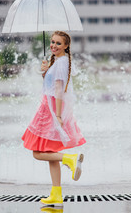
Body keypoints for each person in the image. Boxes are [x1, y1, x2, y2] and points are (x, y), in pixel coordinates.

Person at [22, 31, 86, 207]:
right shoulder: (59, 62)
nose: (53, 46)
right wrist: (45, 72)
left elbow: (58, 90)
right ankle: (56, 195)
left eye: (58, 43)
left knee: (37, 152)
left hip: (50, 110)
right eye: (52, 42)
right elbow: (52, 85)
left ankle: (70, 159)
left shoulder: (60, 63)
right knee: (50, 154)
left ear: (66, 46)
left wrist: (57, 115)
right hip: (49, 107)